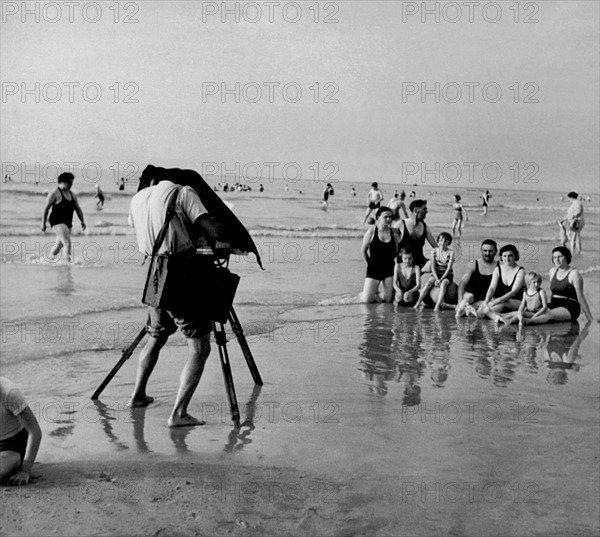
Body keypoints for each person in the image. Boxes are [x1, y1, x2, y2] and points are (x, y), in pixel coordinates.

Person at [128, 177, 229, 427]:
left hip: (155, 272)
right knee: (199, 347)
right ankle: (179, 414)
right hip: (183, 274)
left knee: (156, 337)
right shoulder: (184, 192)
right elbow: (213, 230)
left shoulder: (138, 198)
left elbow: (137, 229)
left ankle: (137, 395)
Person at [520, 246, 594, 325]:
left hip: (570, 307)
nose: (557, 260)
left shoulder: (574, 274)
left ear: (566, 257)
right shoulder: (552, 271)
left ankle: (527, 321)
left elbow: (581, 297)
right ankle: (508, 318)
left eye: (559, 257)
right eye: (554, 257)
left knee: (549, 314)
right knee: (531, 311)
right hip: (554, 304)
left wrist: (590, 319)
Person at [0, 377, 42, 486]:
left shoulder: (10, 393)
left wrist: (25, 471)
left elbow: (35, 431)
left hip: (11, 445)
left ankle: (16, 464)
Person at [40, 172, 86, 262]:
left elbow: (78, 209)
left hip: (68, 223)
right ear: (62, 181)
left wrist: (82, 221)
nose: (70, 185)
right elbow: (46, 208)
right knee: (67, 243)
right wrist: (43, 224)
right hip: (56, 221)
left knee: (58, 246)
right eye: (69, 182)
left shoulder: (73, 195)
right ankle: (67, 264)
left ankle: (48, 260)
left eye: (72, 182)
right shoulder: (54, 193)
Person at [360, 207, 398, 303]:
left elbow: (396, 253)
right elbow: (363, 251)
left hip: (389, 269)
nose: (389, 219)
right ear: (378, 218)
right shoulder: (371, 232)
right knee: (366, 301)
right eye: (385, 217)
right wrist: (369, 264)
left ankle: (376, 294)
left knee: (388, 300)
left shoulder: (394, 234)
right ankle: (365, 294)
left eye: (390, 217)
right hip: (374, 269)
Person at [480, 244, 525, 322]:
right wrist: (486, 301)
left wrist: (496, 301)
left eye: (510, 256)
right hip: (500, 301)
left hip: (517, 301)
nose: (507, 259)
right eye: (504, 256)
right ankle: (498, 316)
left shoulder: (521, 271)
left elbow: (513, 292)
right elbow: (492, 288)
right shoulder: (498, 269)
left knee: (502, 304)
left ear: (515, 256)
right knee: (482, 309)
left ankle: (494, 315)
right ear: (501, 257)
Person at [455, 240, 499, 318]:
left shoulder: (499, 266)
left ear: (496, 252)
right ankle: (461, 310)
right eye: (485, 251)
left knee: (491, 304)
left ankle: (470, 310)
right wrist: (459, 302)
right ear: (481, 251)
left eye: (490, 251)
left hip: (487, 298)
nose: (487, 253)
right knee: (468, 297)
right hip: (471, 297)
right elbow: (462, 284)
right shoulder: (473, 264)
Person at [414, 232, 455, 311]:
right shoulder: (434, 251)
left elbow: (449, 268)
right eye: (441, 240)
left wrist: (441, 279)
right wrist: (436, 278)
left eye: (445, 241)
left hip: (447, 275)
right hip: (437, 273)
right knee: (428, 283)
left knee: (443, 284)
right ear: (438, 241)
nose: (443, 243)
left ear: (449, 242)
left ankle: (437, 305)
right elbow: (433, 266)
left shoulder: (451, 253)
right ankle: (418, 303)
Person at [392, 199, 437, 270]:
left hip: (420, 264)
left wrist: (446, 256)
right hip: (404, 263)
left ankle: (434, 281)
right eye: (424, 209)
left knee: (438, 266)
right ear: (416, 210)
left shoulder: (425, 227)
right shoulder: (400, 224)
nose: (427, 211)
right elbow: (388, 242)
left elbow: (435, 246)